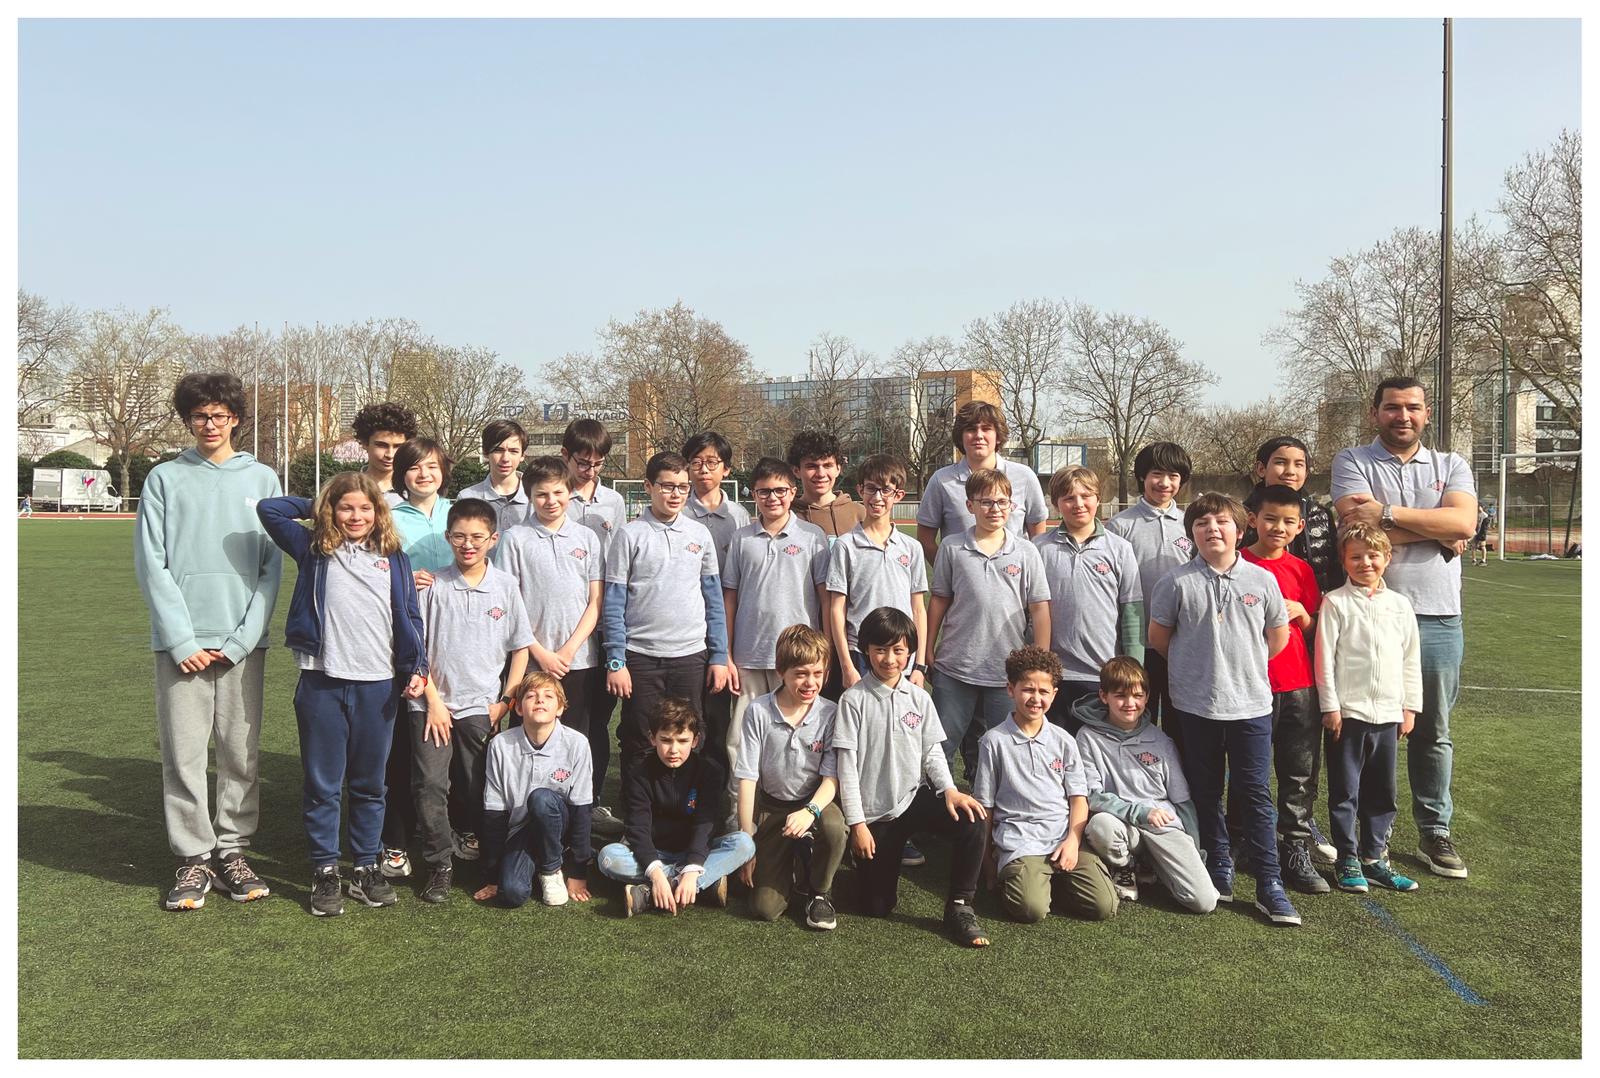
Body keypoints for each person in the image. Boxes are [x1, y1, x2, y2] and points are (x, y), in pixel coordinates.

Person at [134, 372, 283, 910]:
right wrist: (180, 639)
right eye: (200, 416)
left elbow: (271, 570)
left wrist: (243, 639)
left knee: (240, 753)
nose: (210, 424)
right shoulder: (164, 479)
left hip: (243, 644)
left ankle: (234, 849)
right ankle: (193, 859)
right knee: (184, 753)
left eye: (219, 415)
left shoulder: (263, 479)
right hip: (182, 646)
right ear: (188, 420)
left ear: (236, 418)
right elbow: (153, 563)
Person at [257, 472, 427, 917]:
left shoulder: (395, 558)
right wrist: (320, 503)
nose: (356, 516)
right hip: (322, 682)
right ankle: (325, 869)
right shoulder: (315, 549)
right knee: (322, 784)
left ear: (378, 512)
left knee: (371, 785)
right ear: (330, 510)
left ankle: (366, 867)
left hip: (378, 685)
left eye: (365, 508)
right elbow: (269, 510)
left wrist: (417, 666)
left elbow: (410, 614)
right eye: (345, 507)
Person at [1331, 376, 1478, 879]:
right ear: (1375, 413)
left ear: (1427, 413)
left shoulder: (1451, 464)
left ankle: (1435, 831)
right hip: (1365, 615)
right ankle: (1357, 841)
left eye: (1412, 407)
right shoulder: (1352, 461)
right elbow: (1354, 531)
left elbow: (1464, 524)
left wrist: (1390, 516)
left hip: (1436, 615)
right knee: (1356, 732)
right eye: (1392, 407)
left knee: (1431, 730)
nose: (1403, 416)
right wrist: (1437, 528)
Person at [1148, 491, 1301, 927]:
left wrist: (1240, 669)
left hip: (1251, 705)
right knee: (1206, 790)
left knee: (1254, 793)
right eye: (1201, 524)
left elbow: (1276, 639)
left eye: (1221, 522)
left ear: (1240, 529)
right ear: (1191, 533)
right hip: (1195, 707)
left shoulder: (1262, 581)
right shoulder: (1175, 582)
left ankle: (1270, 883)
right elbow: (1161, 639)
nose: (1211, 530)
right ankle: (1219, 864)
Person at [831, 607, 991, 948]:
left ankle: (960, 905)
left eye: (899, 650)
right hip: (875, 813)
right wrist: (857, 824)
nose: (890, 658)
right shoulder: (853, 700)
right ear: (867, 651)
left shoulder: (919, 698)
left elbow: (931, 752)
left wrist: (949, 790)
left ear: (909, 653)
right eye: (881, 649)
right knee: (876, 907)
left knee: (972, 819)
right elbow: (846, 766)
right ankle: (847, 867)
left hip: (911, 798)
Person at [409, 498, 533, 902]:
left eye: (477, 537)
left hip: (481, 705)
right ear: (448, 538)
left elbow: (521, 648)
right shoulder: (432, 585)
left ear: (493, 540)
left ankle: (487, 860)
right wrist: (433, 701)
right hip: (431, 706)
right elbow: (416, 653)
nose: (467, 544)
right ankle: (440, 864)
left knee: (480, 785)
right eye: (459, 536)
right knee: (430, 784)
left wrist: (505, 701)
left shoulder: (506, 586)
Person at [603, 451, 729, 783]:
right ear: (648, 486)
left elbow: (713, 600)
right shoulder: (629, 535)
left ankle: (686, 820)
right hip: (642, 657)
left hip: (690, 656)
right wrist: (616, 659)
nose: (676, 494)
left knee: (689, 738)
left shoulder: (699, 535)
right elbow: (613, 602)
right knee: (640, 739)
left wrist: (718, 655)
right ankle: (639, 825)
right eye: (668, 486)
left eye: (683, 487)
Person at [973, 646, 1118, 924]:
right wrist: (987, 865)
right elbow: (986, 807)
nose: (1035, 698)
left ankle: (1054, 880)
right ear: (1010, 689)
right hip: (1021, 841)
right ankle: (1032, 881)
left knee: (1105, 906)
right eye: (1028, 690)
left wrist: (1073, 842)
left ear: (1054, 694)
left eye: (1043, 691)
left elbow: (1078, 799)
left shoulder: (1064, 740)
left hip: (1061, 838)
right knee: (1031, 909)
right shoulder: (994, 741)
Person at [1315, 522, 1423, 895]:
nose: (1365, 563)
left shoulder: (1400, 606)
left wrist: (1410, 707)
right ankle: (1347, 857)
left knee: (1382, 791)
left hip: (1389, 716)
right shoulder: (1335, 602)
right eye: (1356, 556)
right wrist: (1331, 707)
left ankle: (1374, 857)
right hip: (1349, 715)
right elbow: (1324, 659)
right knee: (1346, 790)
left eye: (1373, 555)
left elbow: (1411, 658)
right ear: (1344, 561)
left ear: (1387, 558)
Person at [722, 457, 829, 822]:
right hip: (750, 656)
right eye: (764, 491)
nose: (773, 498)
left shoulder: (814, 538)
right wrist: (728, 655)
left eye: (780, 491)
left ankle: (803, 818)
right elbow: (730, 598)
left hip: (800, 661)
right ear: (753, 495)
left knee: (798, 743)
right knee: (739, 743)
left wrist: (824, 654)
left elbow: (825, 597)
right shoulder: (741, 539)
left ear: (793, 492)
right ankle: (742, 825)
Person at [927, 468, 1051, 772]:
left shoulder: (1026, 552)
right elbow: (940, 599)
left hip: (1006, 671)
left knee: (1006, 749)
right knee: (940, 746)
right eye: (985, 502)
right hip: (956, 666)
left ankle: (996, 815)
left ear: (1012, 506)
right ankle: (933, 810)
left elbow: (1039, 607)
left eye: (1001, 502)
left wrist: (1040, 660)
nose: (994, 509)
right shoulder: (952, 547)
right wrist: (927, 647)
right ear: (970, 506)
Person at [1072, 656, 1217, 913]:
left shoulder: (1160, 740)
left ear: (1147, 697)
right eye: (1120, 696)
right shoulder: (1087, 737)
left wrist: (1195, 849)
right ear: (1104, 696)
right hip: (1122, 824)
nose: (1130, 704)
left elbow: (1182, 801)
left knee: (1203, 902)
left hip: (1161, 825)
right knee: (1101, 826)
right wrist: (1139, 812)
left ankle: (1150, 865)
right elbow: (1092, 795)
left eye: (1137, 695)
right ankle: (1124, 866)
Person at [1240, 484, 1328, 895]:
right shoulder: (1236, 563)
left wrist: (1302, 616)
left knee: (1299, 771)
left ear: (1300, 526)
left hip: (1298, 686)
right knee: (1248, 772)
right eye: (1270, 518)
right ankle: (1244, 842)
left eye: (1288, 521)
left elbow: (1315, 629)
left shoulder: (1302, 571)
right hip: (1249, 684)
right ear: (1252, 519)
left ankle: (1294, 846)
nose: (1278, 527)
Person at [596, 697, 756, 915]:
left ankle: (655, 893)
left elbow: (705, 825)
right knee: (608, 857)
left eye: (682, 741)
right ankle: (699, 885)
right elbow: (638, 827)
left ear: (695, 740)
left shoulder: (709, 771)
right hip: (653, 853)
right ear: (653, 738)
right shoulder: (638, 772)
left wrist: (692, 868)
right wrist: (655, 872)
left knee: (745, 843)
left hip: (695, 852)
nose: (673, 749)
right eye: (666, 740)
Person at [734, 625, 848, 930]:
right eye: (800, 673)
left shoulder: (830, 713)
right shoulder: (758, 712)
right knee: (764, 908)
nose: (810, 683)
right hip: (772, 807)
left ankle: (819, 892)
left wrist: (810, 811)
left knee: (835, 826)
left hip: (813, 804)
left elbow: (832, 778)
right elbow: (747, 780)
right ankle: (795, 858)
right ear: (781, 671)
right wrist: (747, 843)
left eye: (818, 673)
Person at [381, 436, 456, 879]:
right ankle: (395, 841)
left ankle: (454, 833)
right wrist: (408, 576)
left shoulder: (458, 513)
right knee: (400, 749)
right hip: (402, 640)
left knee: (446, 746)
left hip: (455, 641)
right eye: (414, 467)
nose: (424, 474)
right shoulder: (387, 516)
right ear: (401, 474)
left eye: (431, 466)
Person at [497, 456, 603, 746]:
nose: (551, 501)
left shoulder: (587, 538)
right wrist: (540, 653)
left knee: (577, 738)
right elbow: (510, 603)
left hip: (578, 660)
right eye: (541, 494)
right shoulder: (515, 538)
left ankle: (579, 793)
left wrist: (568, 651)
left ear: (570, 492)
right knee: (527, 736)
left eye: (558, 493)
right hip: (530, 662)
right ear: (529, 497)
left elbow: (595, 601)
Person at [1032, 464, 1143, 731]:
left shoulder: (1120, 549)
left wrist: (1135, 671)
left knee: (1100, 756)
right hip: (1054, 676)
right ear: (1056, 503)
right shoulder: (1038, 549)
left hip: (1102, 674)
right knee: (1056, 755)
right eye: (1069, 498)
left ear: (1097, 498)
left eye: (1086, 496)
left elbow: (1131, 613)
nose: (1078, 504)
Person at [474, 671, 595, 908]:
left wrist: (579, 872)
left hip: (561, 828)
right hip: (522, 829)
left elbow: (582, 809)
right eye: (531, 696)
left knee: (541, 799)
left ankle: (551, 869)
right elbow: (494, 815)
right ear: (518, 709)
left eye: (548, 696)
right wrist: (492, 876)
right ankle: (536, 863)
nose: (540, 700)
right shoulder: (500, 745)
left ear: (560, 708)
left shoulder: (577, 743)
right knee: (512, 894)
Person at [560, 417, 629, 831]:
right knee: (556, 717)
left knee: (596, 722)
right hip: (556, 626)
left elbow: (618, 563)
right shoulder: (550, 496)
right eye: (583, 462)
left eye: (598, 464)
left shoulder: (614, 503)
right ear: (566, 456)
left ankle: (593, 798)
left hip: (600, 625)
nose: (589, 471)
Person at [1106, 441, 1193, 747]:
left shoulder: (1191, 524)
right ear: (1142, 476)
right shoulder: (1119, 526)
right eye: (1157, 474)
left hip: (1179, 643)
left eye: (1173, 475)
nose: (1165, 483)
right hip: (1136, 644)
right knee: (1134, 720)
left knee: (1179, 722)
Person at [824, 453, 930, 691]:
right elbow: (836, 609)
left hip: (902, 654)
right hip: (860, 654)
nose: (878, 497)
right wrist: (847, 666)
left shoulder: (911, 548)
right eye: (871, 488)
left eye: (886, 490)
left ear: (899, 495)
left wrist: (919, 665)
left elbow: (918, 609)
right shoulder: (846, 545)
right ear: (860, 490)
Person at [682, 430, 751, 789]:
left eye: (712, 462)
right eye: (696, 462)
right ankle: (686, 794)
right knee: (693, 716)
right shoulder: (679, 513)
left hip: (729, 629)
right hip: (688, 629)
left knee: (725, 722)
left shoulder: (740, 517)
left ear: (726, 469)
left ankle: (721, 797)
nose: (703, 470)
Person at [915, 400, 1047, 564]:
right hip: (962, 587)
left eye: (986, 429)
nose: (979, 435)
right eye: (971, 429)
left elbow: (1038, 537)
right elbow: (925, 539)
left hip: (1014, 584)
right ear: (960, 436)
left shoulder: (1024, 477)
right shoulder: (941, 480)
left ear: (998, 436)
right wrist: (949, 574)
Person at [1242, 436, 1344, 595]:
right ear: (1261, 469)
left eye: (1298, 465)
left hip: (1309, 609)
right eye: (1280, 462)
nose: (1290, 471)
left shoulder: (1320, 515)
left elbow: (1334, 570)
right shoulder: (1240, 516)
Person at [457, 418, 531, 544]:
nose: (505, 458)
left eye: (513, 451)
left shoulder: (537, 497)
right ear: (486, 452)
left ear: (522, 455)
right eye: (498, 450)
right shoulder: (468, 498)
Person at [787, 429, 867, 543]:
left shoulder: (860, 514)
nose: (821, 474)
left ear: (838, 469)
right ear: (796, 471)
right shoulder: (786, 516)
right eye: (812, 466)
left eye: (827, 465)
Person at [352, 402, 418, 508]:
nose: (390, 454)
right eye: (381, 445)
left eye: (397, 446)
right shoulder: (347, 488)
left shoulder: (416, 491)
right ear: (364, 443)